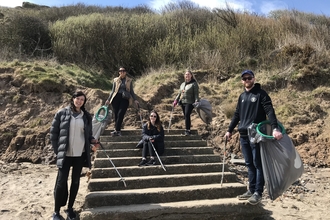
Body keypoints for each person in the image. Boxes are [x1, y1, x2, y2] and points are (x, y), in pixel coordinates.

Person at [224, 70, 283, 205]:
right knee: (249, 164)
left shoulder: (261, 94)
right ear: (242, 81)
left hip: (256, 135)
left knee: (258, 164)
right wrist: (229, 130)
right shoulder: (242, 96)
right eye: (244, 78)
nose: (247, 80)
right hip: (243, 135)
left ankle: (258, 192)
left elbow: (270, 111)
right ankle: (251, 190)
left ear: (254, 79)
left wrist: (275, 128)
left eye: (249, 78)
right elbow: (237, 115)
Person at [50, 91, 99, 220]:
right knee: (61, 182)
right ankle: (56, 212)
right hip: (65, 155)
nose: (79, 101)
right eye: (77, 98)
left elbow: (88, 135)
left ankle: (70, 208)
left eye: (82, 100)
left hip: (79, 154)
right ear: (73, 99)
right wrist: (58, 151)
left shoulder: (86, 116)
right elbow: (53, 134)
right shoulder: (61, 113)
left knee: (75, 182)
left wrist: (93, 141)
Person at [105, 67, 139, 136]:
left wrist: (135, 99)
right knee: (116, 114)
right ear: (119, 72)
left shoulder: (129, 80)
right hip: (116, 98)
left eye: (123, 71)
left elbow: (132, 91)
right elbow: (113, 91)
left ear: (126, 72)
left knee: (121, 113)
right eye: (121, 71)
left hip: (125, 98)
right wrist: (108, 99)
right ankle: (118, 130)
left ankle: (116, 130)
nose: (122, 72)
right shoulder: (115, 80)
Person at [173, 70, 199, 136]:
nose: (187, 75)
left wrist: (196, 100)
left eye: (188, 74)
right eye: (186, 74)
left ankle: (187, 130)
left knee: (187, 114)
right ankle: (187, 129)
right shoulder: (182, 84)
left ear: (191, 75)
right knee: (186, 116)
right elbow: (179, 93)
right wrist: (176, 100)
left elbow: (196, 94)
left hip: (190, 102)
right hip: (183, 101)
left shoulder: (194, 84)